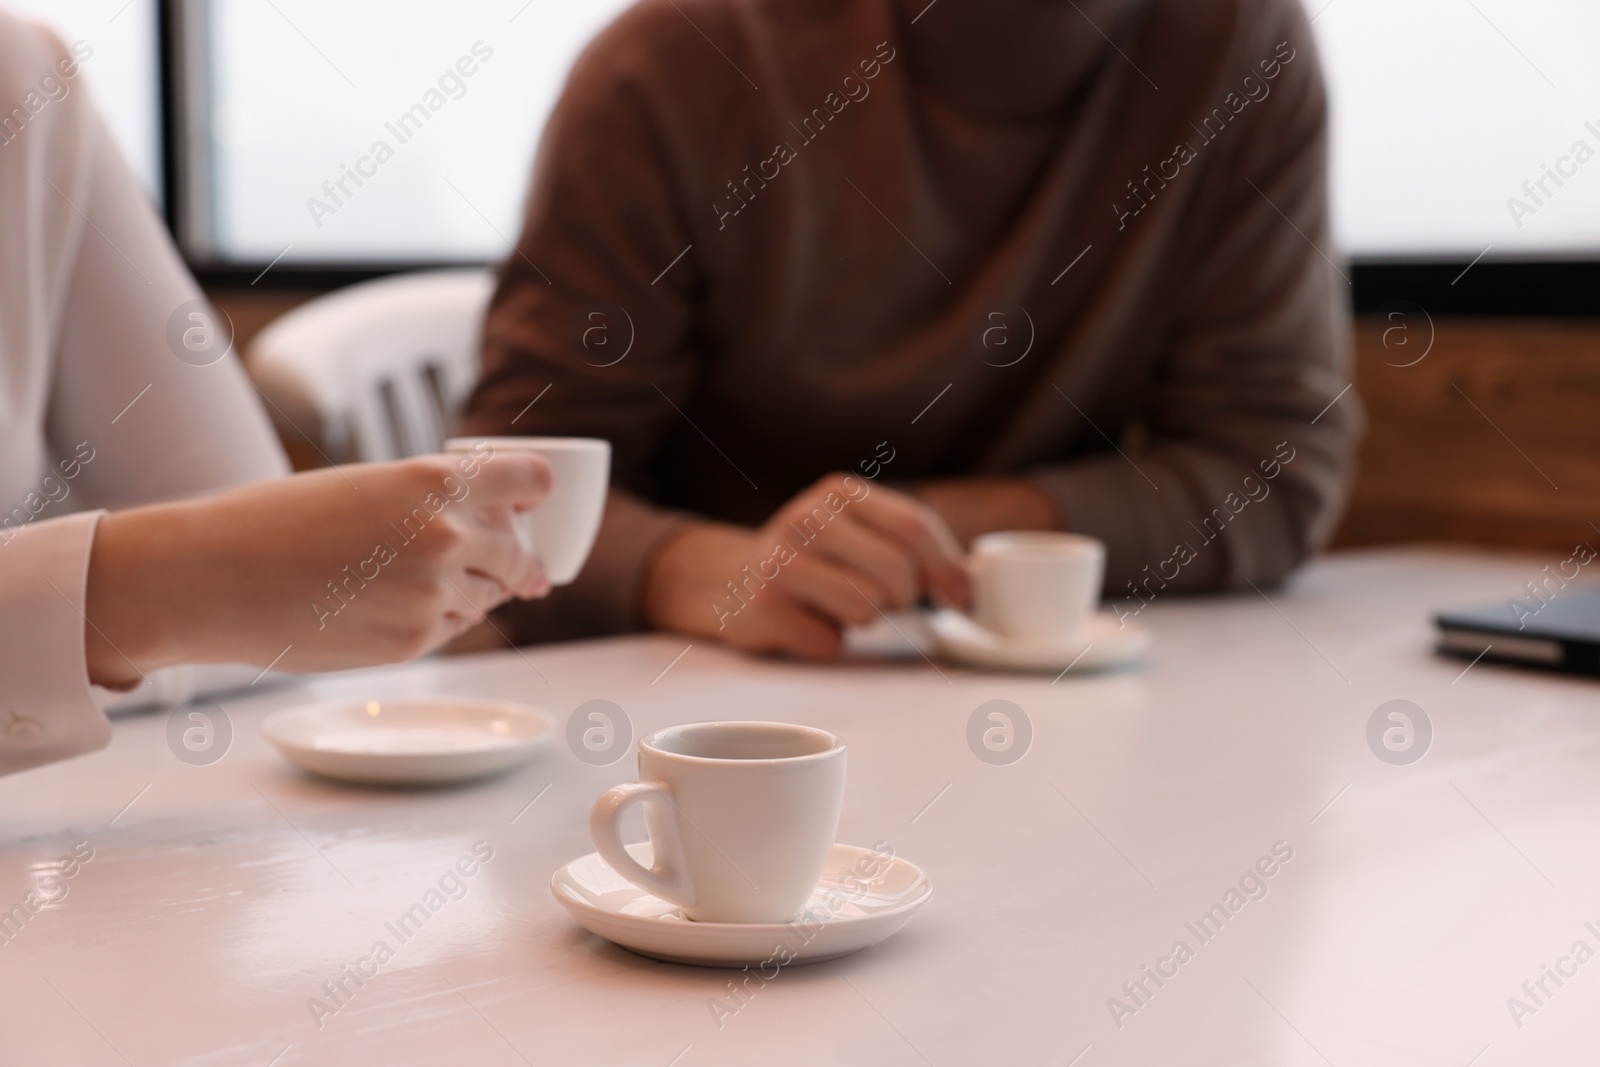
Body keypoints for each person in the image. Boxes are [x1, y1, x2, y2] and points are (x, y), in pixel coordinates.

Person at [459, 0, 1360, 660]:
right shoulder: (673, 62)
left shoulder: (1240, 45)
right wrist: (706, 570)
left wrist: (919, 536)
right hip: (693, 718)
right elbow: (509, 493)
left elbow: (1274, 469)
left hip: (1020, 694)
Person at [0, 13, 550, 776]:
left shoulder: (20, 76)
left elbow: (272, 606)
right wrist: (140, 594)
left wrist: (166, 596)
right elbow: (254, 596)